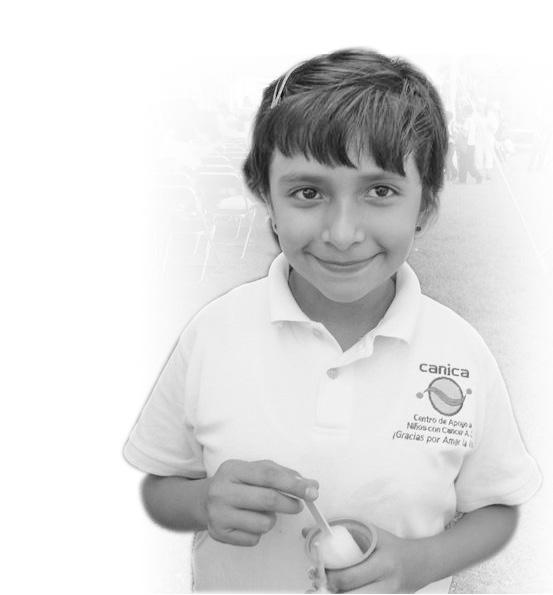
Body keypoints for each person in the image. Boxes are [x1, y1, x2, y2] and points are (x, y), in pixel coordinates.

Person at [123, 49, 541, 593]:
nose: (342, 234)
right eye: (308, 192)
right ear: (268, 200)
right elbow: (160, 486)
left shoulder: (459, 352)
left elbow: (497, 509)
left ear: (426, 206)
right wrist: (203, 500)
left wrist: (423, 561)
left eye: (381, 191)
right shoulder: (213, 334)